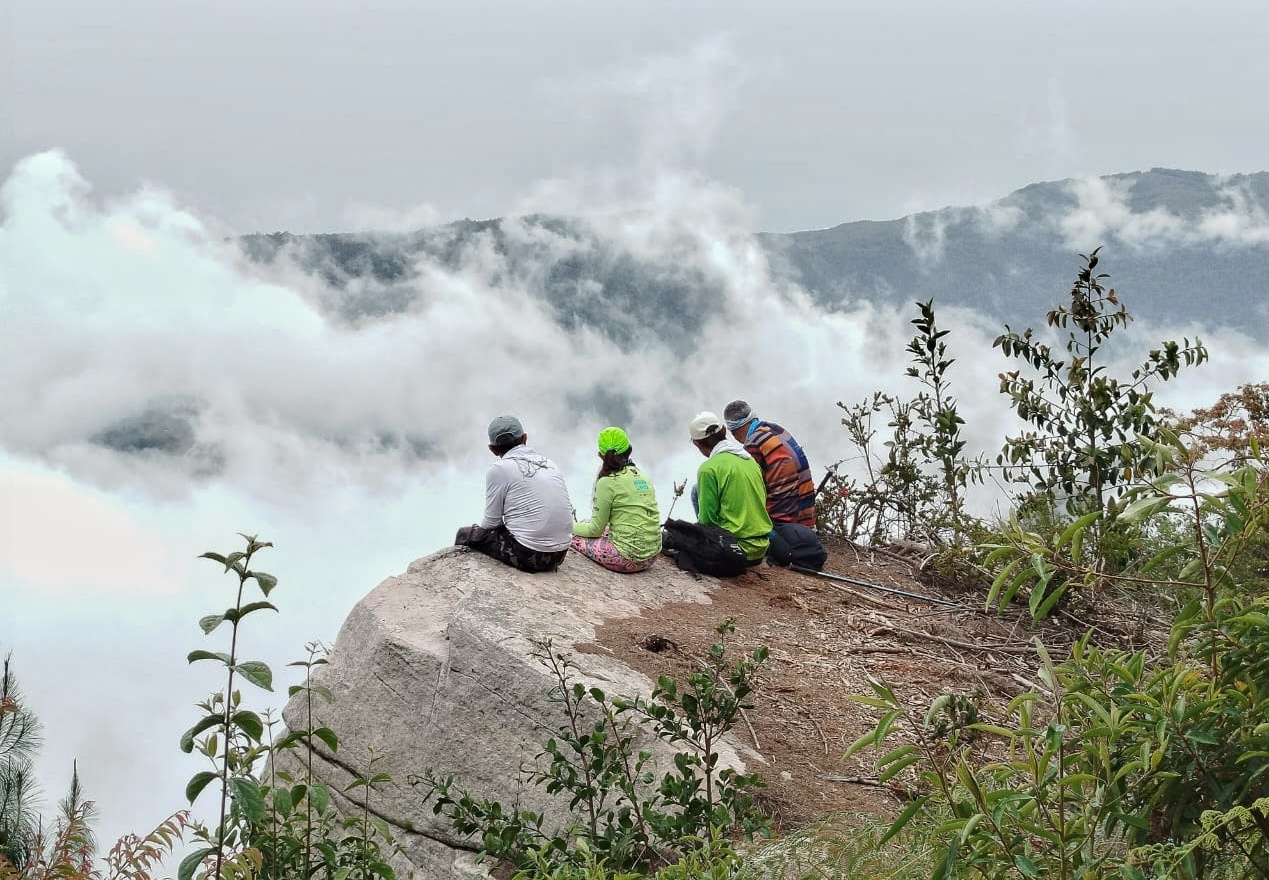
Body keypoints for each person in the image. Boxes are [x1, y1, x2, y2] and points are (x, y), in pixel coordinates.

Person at [454, 415, 574, 573]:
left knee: (464, 534)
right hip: (560, 554)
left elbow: (491, 523)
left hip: (530, 555)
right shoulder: (548, 463)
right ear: (525, 438)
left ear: (493, 449)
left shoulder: (499, 469)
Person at [570, 427, 661, 573]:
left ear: (601, 455)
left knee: (572, 535)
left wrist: (568, 525)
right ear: (629, 450)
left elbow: (595, 529)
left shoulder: (607, 481)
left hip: (626, 558)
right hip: (652, 556)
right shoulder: (643, 476)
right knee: (603, 528)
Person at [688, 411, 772, 564]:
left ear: (697, 443)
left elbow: (707, 521)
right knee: (697, 489)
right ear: (724, 431)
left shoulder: (709, 469)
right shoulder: (748, 459)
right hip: (761, 547)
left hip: (735, 549)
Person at [722, 400, 817, 529]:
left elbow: (748, 487)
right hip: (806, 515)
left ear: (734, 430)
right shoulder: (775, 429)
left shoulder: (753, 444)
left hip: (783, 519)